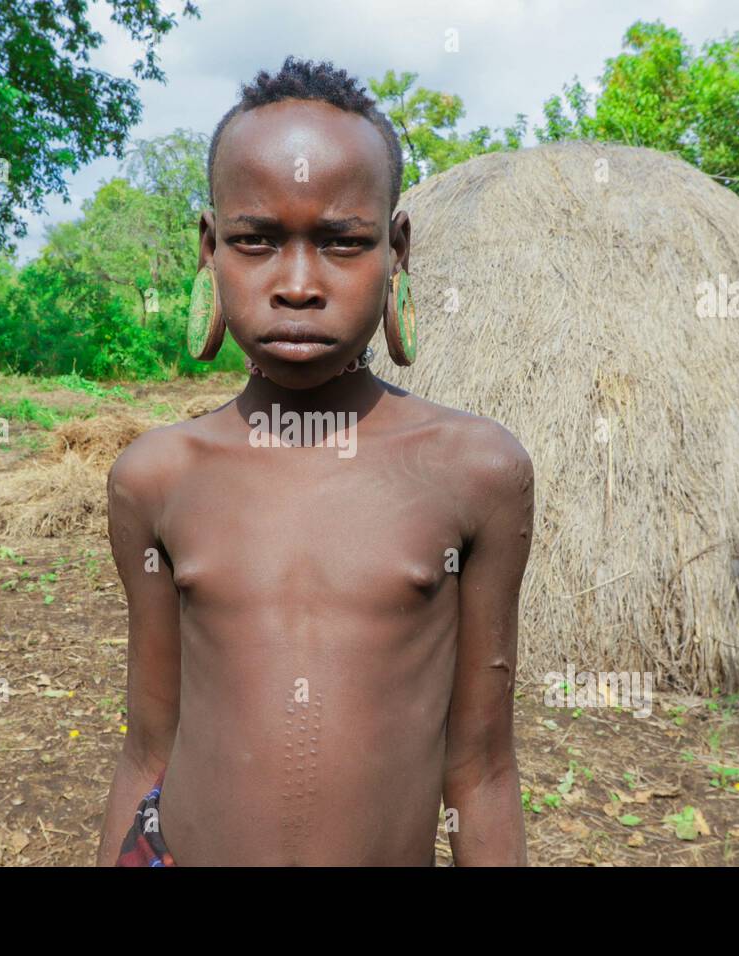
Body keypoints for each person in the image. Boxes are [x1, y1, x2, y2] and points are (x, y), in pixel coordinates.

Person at [97, 55, 534, 866]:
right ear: (209, 246)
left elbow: (482, 772)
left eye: (343, 242)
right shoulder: (155, 477)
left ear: (397, 249)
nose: (297, 284)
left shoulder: (476, 471)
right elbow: (148, 751)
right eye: (256, 241)